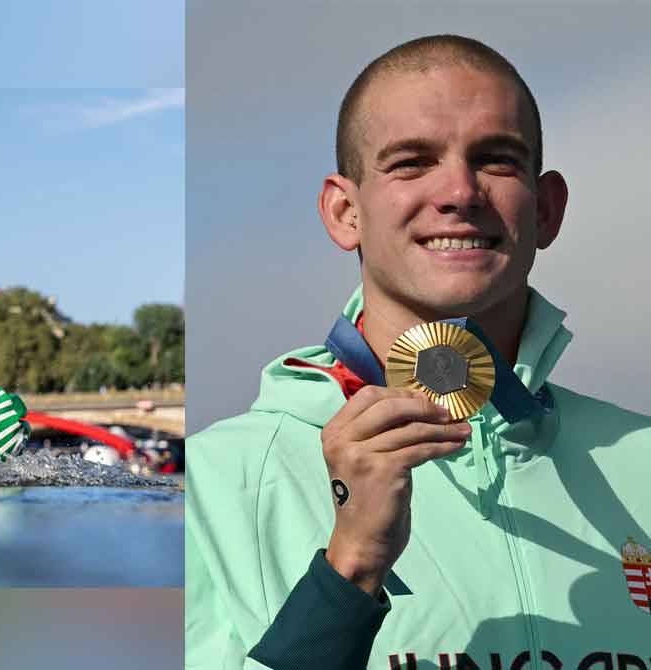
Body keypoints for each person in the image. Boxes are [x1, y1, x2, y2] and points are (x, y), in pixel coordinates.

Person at [185, 35, 651, 669]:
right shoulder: (211, 487)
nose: (460, 191)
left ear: (546, 209)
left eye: (496, 159)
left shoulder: (642, 458)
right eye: (411, 161)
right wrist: (350, 570)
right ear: (345, 211)